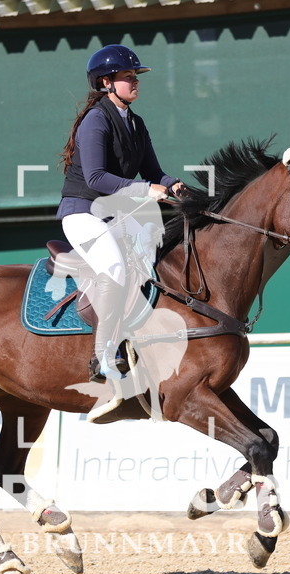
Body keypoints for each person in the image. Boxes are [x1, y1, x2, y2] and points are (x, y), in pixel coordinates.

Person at [57, 44, 185, 383]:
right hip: (82, 212)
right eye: (128, 77)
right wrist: (145, 190)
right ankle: (104, 356)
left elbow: (154, 172)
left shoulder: (135, 123)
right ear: (105, 83)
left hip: (114, 215)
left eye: (135, 76)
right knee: (114, 268)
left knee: (151, 262)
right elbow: (96, 178)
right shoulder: (95, 120)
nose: (135, 82)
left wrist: (172, 185)